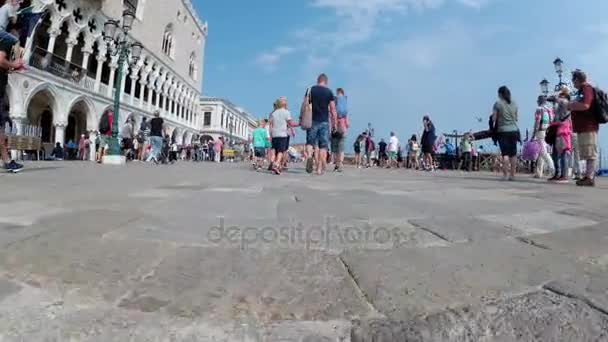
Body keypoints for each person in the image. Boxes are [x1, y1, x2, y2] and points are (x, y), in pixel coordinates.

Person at [568, 69, 599, 187]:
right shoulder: (583, 90)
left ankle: (589, 177)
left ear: (577, 79)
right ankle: (588, 176)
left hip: (588, 126)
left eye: (573, 80)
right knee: (587, 152)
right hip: (584, 127)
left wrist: (570, 105)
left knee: (590, 152)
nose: (572, 82)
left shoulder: (586, 89)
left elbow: (586, 105)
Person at [0, 20, 23, 171]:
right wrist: (15, 64)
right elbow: (0, 60)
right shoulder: (7, 39)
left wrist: (12, 67)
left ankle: (6, 160)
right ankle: (7, 161)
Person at [305, 73, 337, 175]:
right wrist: (334, 123)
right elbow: (332, 109)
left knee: (310, 143)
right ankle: (319, 169)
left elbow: (305, 104)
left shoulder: (310, 90)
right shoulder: (329, 92)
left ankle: (310, 157)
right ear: (326, 81)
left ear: (317, 80)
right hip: (324, 122)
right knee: (323, 146)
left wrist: (302, 118)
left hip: (312, 120)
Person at [492, 86, 520, 181]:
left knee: (505, 154)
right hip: (514, 130)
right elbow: (516, 118)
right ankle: (512, 175)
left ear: (500, 94)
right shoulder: (515, 104)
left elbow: (494, 119)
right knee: (513, 154)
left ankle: (505, 175)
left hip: (503, 131)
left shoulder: (498, 104)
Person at [269, 97, 298, 175]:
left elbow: (271, 124)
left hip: (275, 134)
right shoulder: (286, 112)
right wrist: (300, 123)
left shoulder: (273, 113)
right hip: (282, 134)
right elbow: (290, 123)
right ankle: (277, 163)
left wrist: (270, 134)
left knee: (274, 149)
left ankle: (273, 162)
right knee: (281, 151)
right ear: (285, 104)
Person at [549, 86, 573, 183]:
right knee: (554, 153)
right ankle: (557, 173)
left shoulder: (566, 103)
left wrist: (560, 92)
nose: (560, 96)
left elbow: (556, 98)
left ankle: (564, 175)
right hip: (557, 129)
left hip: (563, 130)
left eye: (562, 95)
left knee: (563, 153)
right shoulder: (559, 105)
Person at [533, 96, 555, 178]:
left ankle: (553, 169)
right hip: (547, 131)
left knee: (543, 152)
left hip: (540, 132)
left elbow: (537, 121)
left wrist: (534, 133)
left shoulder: (539, 109)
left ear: (539, 101)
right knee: (540, 152)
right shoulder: (549, 110)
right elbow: (551, 121)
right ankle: (539, 173)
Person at [331, 88, 349, 172]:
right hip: (343, 128)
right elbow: (347, 122)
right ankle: (340, 164)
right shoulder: (345, 107)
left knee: (335, 148)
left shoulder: (334, 103)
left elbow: (330, 115)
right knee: (341, 148)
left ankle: (336, 165)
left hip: (334, 128)